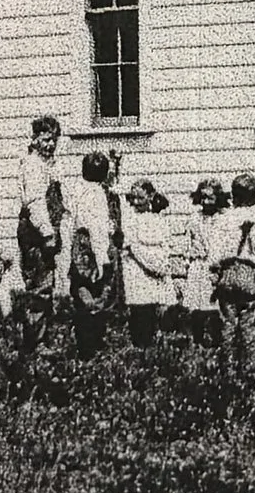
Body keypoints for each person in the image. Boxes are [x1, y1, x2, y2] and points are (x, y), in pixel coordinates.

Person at [9, 116, 67, 396]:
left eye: (54, 138)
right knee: (40, 287)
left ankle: (37, 336)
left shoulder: (48, 165)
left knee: (45, 286)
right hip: (35, 231)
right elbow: (34, 202)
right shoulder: (33, 166)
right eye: (45, 138)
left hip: (44, 228)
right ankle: (34, 341)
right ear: (33, 139)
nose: (50, 143)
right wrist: (47, 232)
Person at [209, 173, 255, 379]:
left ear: (233, 196)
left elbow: (215, 254)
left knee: (228, 325)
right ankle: (251, 370)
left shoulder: (223, 221)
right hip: (251, 277)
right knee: (250, 326)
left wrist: (215, 276)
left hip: (229, 275)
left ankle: (228, 369)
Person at [67, 149, 121, 362]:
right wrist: (102, 260)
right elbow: (97, 230)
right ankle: (91, 346)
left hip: (79, 244)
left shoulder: (78, 188)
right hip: (93, 247)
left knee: (81, 289)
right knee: (98, 293)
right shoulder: (97, 195)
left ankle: (84, 341)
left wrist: (116, 165)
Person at [121, 178, 175, 352]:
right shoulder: (130, 219)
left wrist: (161, 264)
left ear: (150, 197)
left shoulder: (159, 219)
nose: (136, 202)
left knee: (155, 305)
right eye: (133, 198)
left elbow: (165, 244)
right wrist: (147, 260)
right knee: (140, 308)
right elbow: (131, 245)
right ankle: (140, 343)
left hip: (156, 267)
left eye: (141, 198)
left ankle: (156, 341)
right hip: (138, 268)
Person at [178, 178, 224, 345]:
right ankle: (197, 339)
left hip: (215, 266)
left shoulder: (222, 220)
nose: (206, 201)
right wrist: (190, 255)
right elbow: (187, 242)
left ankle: (217, 339)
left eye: (210, 198)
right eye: (203, 197)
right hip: (198, 265)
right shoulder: (194, 219)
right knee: (196, 307)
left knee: (214, 306)